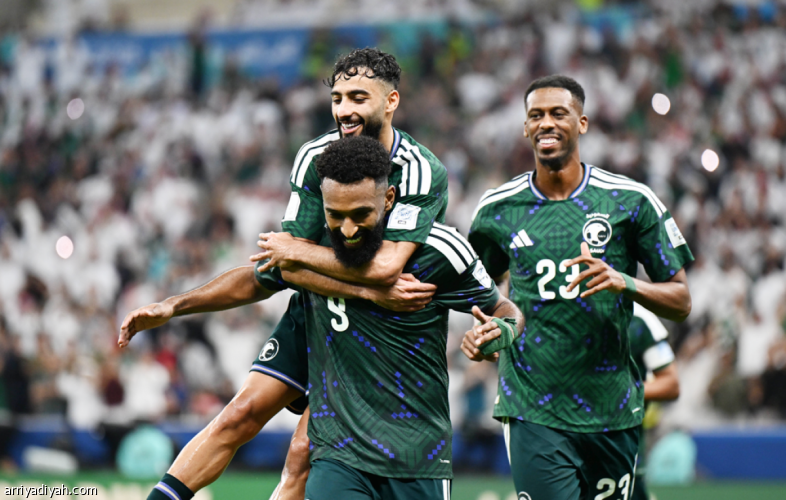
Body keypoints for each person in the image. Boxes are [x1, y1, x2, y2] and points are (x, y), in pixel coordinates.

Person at [120, 48, 451, 500]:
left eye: (358, 97)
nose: (344, 110)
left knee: (302, 452)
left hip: (381, 336)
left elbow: (387, 267)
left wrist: (300, 252)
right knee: (239, 414)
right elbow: (281, 268)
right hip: (320, 311)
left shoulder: (420, 170)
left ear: (391, 101)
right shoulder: (315, 157)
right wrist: (173, 305)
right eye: (337, 98)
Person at [463, 74, 693, 500]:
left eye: (558, 113)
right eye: (536, 115)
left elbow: (681, 300)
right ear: (525, 127)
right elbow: (483, 293)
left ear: (582, 122)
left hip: (611, 408)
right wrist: (485, 332)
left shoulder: (631, 201)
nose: (546, 123)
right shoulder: (497, 208)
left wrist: (625, 283)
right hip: (532, 407)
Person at [256, 135, 524, 500]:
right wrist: (180, 304)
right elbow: (261, 278)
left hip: (418, 457)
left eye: (360, 214)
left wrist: (498, 334)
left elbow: (507, 312)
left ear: (388, 199)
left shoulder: (440, 250)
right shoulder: (309, 250)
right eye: (336, 215)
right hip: (339, 454)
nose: (348, 230)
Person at [627, 303, 680, 500]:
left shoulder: (640, 319)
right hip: (564, 436)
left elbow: (671, 384)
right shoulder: (557, 307)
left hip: (624, 439)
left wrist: (620, 393)